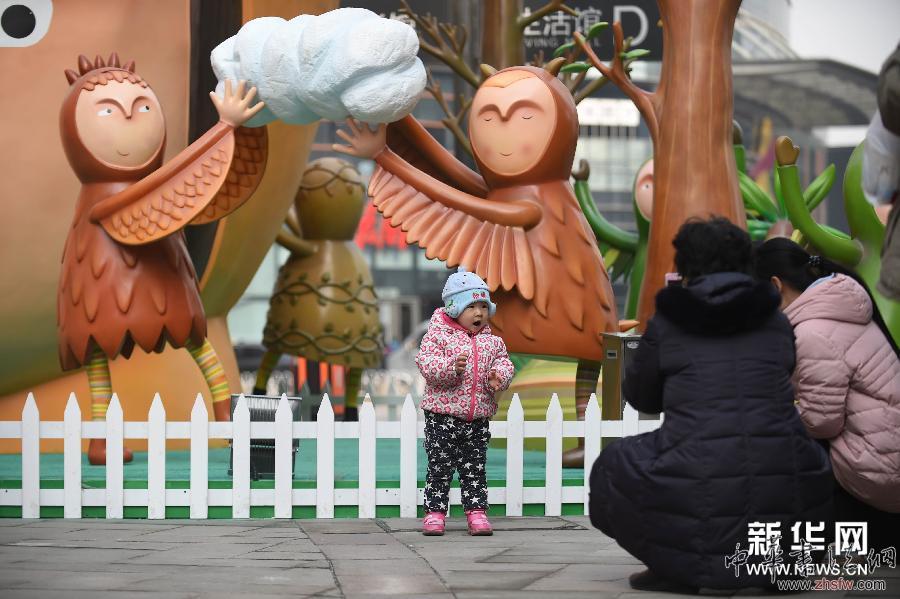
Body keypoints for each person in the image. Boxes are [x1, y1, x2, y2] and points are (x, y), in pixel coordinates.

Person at [588, 217, 832, 592]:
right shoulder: (774, 320)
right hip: (782, 466)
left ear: (685, 265)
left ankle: (673, 566)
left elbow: (640, 395)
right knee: (806, 465)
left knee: (612, 466)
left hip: (692, 468)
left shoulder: (669, 321)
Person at [754, 238, 900, 551]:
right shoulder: (842, 308)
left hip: (880, 469)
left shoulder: (813, 332)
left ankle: (796, 548)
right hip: (887, 454)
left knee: (777, 445)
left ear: (775, 286)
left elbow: (821, 423)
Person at [415, 269, 515, 536]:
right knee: (440, 466)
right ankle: (435, 514)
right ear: (454, 308)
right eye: (471, 306)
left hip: (477, 418)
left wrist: (499, 376)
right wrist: (451, 368)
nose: (479, 313)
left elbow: (505, 363)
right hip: (442, 416)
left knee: (475, 468)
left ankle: (477, 513)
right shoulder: (438, 336)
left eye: (484, 306)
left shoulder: (492, 342)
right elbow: (426, 363)